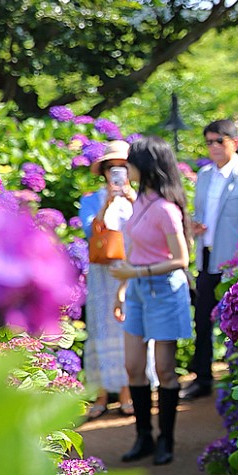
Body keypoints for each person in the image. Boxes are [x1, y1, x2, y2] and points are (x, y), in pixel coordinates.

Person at [110, 136, 193, 465]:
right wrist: (122, 289)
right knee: (133, 367)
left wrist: (136, 274)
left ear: (145, 167)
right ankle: (143, 436)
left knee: (165, 370)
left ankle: (166, 440)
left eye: (130, 161)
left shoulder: (165, 209)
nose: (125, 166)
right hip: (138, 291)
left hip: (164, 291)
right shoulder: (140, 201)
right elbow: (131, 251)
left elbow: (181, 259)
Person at [184, 119, 238, 400]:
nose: (214, 146)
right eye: (209, 142)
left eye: (220, 141)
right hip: (206, 257)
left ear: (235, 142)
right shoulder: (204, 175)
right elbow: (201, 214)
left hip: (235, 262)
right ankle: (202, 378)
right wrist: (195, 226)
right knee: (202, 320)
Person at [79, 140, 135, 420]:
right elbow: (91, 233)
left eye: (122, 166)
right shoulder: (92, 199)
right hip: (102, 273)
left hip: (131, 270)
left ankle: (127, 391)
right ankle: (102, 393)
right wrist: (108, 202)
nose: (116, 172)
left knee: (127, 329)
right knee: (102, 328)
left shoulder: (139, 198)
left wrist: (130, 197)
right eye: (111, 167)